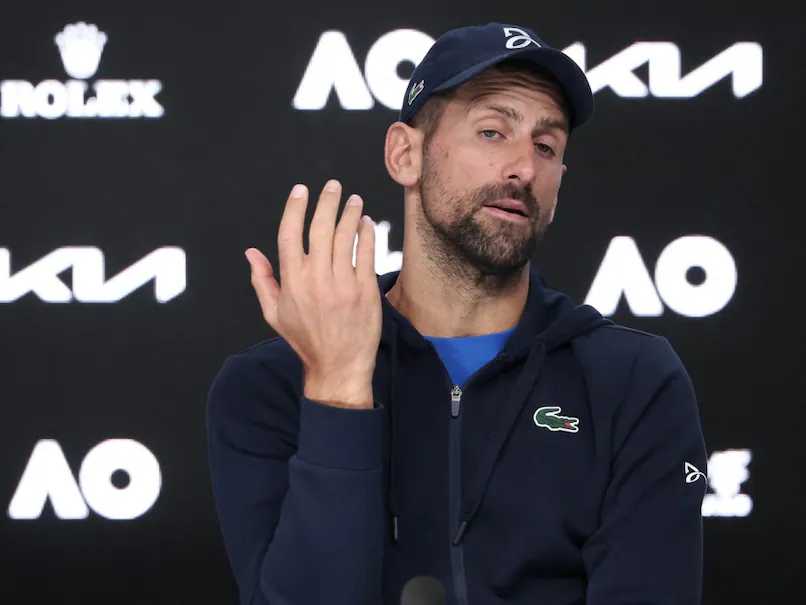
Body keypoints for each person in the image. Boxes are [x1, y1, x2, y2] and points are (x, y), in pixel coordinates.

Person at [206, 22, 708, 605]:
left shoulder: (631, 380)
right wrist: (337, 391)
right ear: (406, 154)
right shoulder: (269, 386)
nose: (524, 168)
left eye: (546, 147)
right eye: (493, 132)